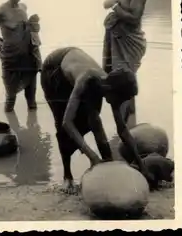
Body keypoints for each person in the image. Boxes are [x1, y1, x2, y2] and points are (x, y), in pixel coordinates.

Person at [40, 46, 154, 194]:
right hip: (54, 69)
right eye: (119, 100)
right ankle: (67, 176)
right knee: (64, 128)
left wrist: (141, 164)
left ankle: (106, 161)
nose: (118, 104)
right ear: (109, 89)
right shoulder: (85, 79)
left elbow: (122, 130)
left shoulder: (112, 86)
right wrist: (93, 157)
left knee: (93, 117)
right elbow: (67, 123)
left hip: (74, 60)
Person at [102, 0, 147, 128]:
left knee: (127, 76)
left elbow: (135, 18)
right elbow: (115, 6)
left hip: (131, 40)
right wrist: (111, 7)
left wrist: (113, 7)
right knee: (119, 77)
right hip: (116, 37)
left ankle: (128, 123)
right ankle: (127, 121)